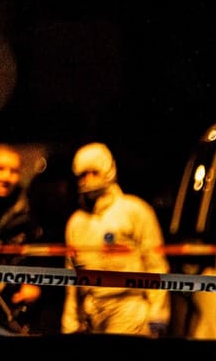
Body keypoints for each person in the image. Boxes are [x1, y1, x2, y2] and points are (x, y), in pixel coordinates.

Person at [61, 141, 170, 336]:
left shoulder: (134, 211)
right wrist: (70, 322)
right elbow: (72, 278)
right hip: (93, 312)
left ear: (108, 171)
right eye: (82, 175)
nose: (88, 180)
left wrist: (158, 316)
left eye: (94, 172)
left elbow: (156, 266)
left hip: (130, 310)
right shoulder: (76, 223)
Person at [0, 142, 53, 333]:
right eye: (0, 168)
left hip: (12, 313)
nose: (6, 177)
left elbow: (40, 254)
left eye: (13, 171)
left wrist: (36, 285)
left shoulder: (28, 216)